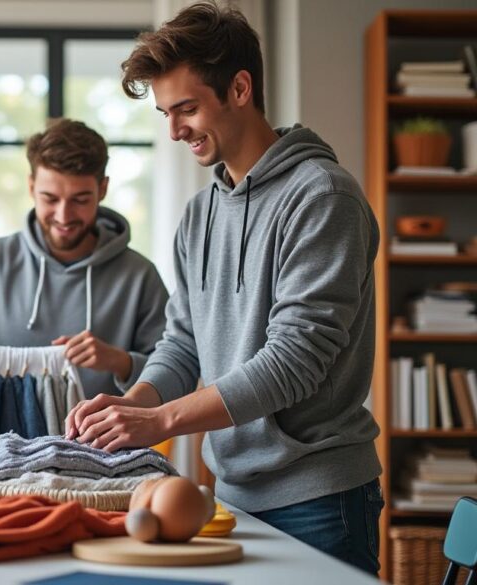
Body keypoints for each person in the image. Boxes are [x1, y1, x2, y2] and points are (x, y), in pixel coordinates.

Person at [66, 2, 384, 574]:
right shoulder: (200, 213)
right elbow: (183, 342)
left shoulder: (322, 197)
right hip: (230, 492)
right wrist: (134, 402)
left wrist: (161, 423)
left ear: (240, 88)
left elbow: (295, 360)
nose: (173, 131)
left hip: (319, 498)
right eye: (165, 113)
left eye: (186, 108)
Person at [0, 118, 169, 398]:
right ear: (31, 186)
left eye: (80, 200)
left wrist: (120, 362)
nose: (64, 216)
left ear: (103, 189)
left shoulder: (139, 276)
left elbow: (173, 372)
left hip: (97, 441)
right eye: (50, 198)